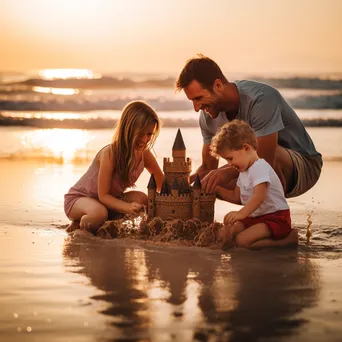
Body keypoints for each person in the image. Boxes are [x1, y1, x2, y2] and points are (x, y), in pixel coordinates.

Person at [175, 54, 322, 198]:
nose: (196, 108)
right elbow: (208, 168)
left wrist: (224, 173)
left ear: (218, 85)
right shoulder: (207, 116)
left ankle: (274, 217)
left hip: (303, 166)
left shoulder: (260, 99)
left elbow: (265, 159)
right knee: (206, 184)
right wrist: (178, 186)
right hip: (248, 167)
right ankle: (256, 212)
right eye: (192, 101)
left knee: (258, 162)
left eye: (199, 98)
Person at [64, 101, 164, 234]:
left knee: (143, 199)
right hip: (80, 200)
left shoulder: (144, 154)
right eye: (140, 133)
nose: (145, 139)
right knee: (99, 214)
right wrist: (127, 207)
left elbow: (162, 183)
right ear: (127, 128)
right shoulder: (110, 153)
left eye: (149, 134)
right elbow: (103, 195)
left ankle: (100, 222)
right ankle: (81, 226)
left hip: (106, 203)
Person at [210, 119, 298, 249]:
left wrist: (241, 213)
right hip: (254, 216)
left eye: (230, 158)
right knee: (225, 234)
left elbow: (259, 196)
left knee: (242, 241)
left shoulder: (259, 167)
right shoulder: (243, 170)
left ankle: (289, 239)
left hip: (274, 217)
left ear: (246, 148)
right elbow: (236, 196)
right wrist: (216, 190)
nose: (228, 164)